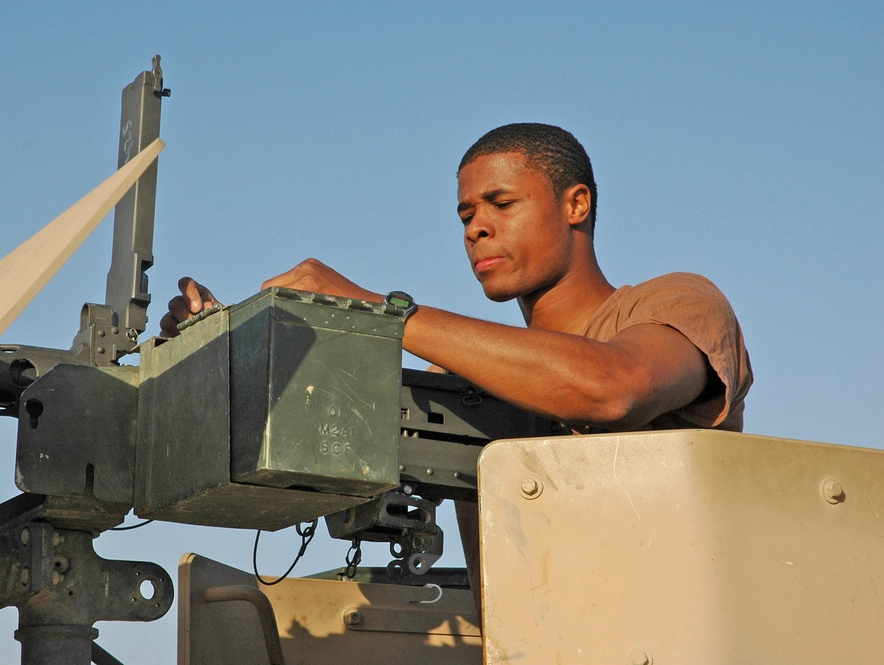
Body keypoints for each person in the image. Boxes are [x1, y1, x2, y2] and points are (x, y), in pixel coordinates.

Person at [160, 122, 753, 611]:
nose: (477, 228)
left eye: (501, 203)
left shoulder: (677, 303)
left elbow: (610, 387)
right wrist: (225, 356)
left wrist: (380, 312)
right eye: (466, 213)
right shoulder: (469, 385)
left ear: (576, 204)